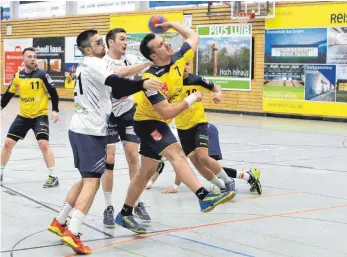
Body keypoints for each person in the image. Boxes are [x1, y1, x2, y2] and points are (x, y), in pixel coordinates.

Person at [46, 29, 163, 255]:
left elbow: (120, 74)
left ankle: (59, 221)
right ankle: (73, 231)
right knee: (92, 183)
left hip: (80, 129)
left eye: (102, 41)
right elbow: (119, 86)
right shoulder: (95, 63)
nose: (102, 45)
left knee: (84, 180)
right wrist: (142, 84)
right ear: (88, 49)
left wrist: (143, 70)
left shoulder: (88, 65)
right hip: (89, 132)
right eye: (98, 42)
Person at [114, 22, 235, 235]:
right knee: (177, 154)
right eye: (161, 45)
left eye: (165, 41)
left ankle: (124, 213)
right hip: (148, 123)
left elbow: (193, 35)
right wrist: (191, 99)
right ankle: (203, 197)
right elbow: (166, 112)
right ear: (153, 56)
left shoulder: (179, 58)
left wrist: (170, 24)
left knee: (145, 173)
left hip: (159, 123)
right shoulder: (151, 79)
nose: (167, 44)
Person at [101, 28, 153, 227]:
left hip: (128, 111)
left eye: (126, 39)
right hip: (108, 114)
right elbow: (121, 74)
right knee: (109, 158)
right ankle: (108, 206)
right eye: (122, 39)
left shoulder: (130, 58)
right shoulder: (103, 63)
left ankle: (136, 203)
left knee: (133, 155)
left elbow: (145, 73)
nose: (125, 42)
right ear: (111, 42)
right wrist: (147, 62)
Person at [0, 47, 60, 188]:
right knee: (8, 143)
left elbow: (53, 92)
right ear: (23, 59)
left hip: (40, 115)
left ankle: (53, 176)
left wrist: (55, 110)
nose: (33, 59)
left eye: (34, 56)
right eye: (29, 56)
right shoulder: (18, 77)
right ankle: (1, 172)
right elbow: (8, 94)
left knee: (43, 144)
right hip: (23, 116)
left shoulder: (42, 74)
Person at [148, 122, 262, 195]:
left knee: (207, 163)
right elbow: (160, 166)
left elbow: (179, 168)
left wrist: (175, 187)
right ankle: (242, 177)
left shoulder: (164, 145)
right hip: (189, 134)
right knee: (205, 166)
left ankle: (248, 176)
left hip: (206, 131)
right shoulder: (156, 149)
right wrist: (150, 183)